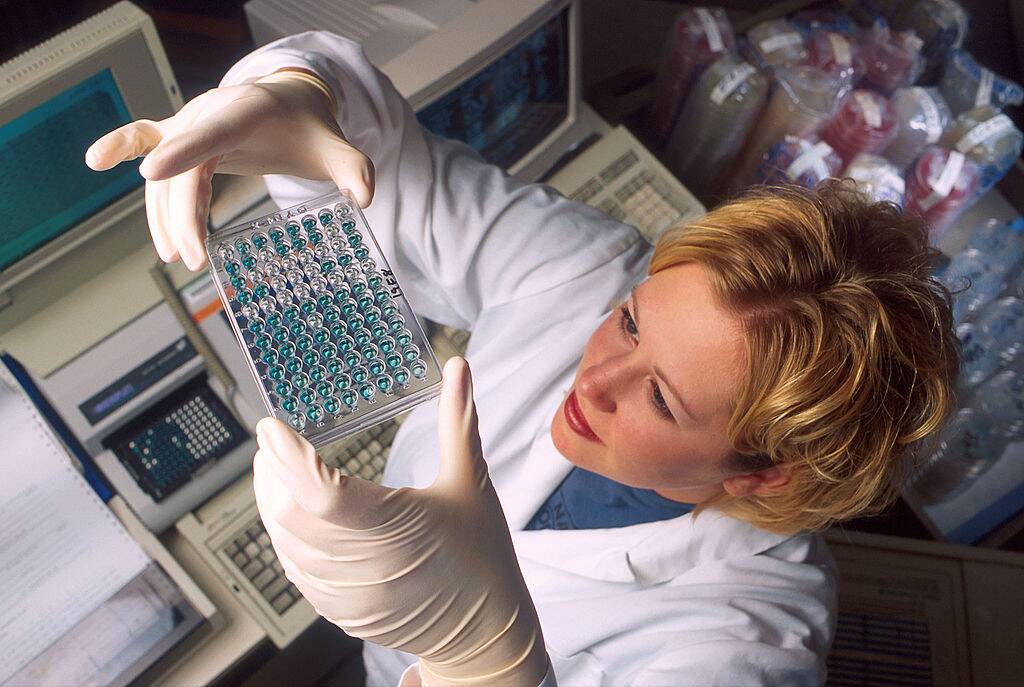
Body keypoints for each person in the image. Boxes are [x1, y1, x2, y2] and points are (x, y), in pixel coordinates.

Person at [85, 33, 960, 687]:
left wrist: (486, 661)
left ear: (766, 476)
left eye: (659, 397)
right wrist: (297, 94)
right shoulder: (586, 270)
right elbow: (386, 166)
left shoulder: (746, 635)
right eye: (629, 323)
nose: (596, 378)